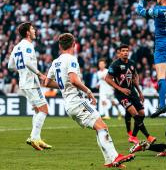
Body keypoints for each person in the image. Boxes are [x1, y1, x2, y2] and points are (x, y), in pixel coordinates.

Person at [44, 33, 134, 168]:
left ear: (60, 46)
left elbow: (47, 82)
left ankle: (109, 160)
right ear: (74, 44)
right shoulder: (71, 59)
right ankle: (115, 157)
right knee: (102, 127)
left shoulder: (56, 62)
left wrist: (63, 85)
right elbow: (74, 80)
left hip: (69, 105)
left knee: (100, 128)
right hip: (78, 101)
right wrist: (89, 91)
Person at [7, 22, 52, 151]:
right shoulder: (28, 45)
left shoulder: (16, 47)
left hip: (23, 82)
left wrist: (21, 71)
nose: (35, 31)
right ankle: (33, 137)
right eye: (32, 29)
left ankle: (37, 138)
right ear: (27, 32)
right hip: (31, 82)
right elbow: (27, 62)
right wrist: (40, 74)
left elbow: (10, 66)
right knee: (44, 110)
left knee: (37, 110)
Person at [105, 44, 156, 144]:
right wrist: (121, 89)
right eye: (123, 51)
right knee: (135, 113)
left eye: (127, 51)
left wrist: (140, 92)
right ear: (119, 53)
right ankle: (148, 136)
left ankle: (133, 136)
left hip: (132, 91)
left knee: (142, 114)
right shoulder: (115, 65)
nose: (125, 52)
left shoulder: (132, 63)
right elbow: (107, 79)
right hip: (121, 94)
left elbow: (134, 77)